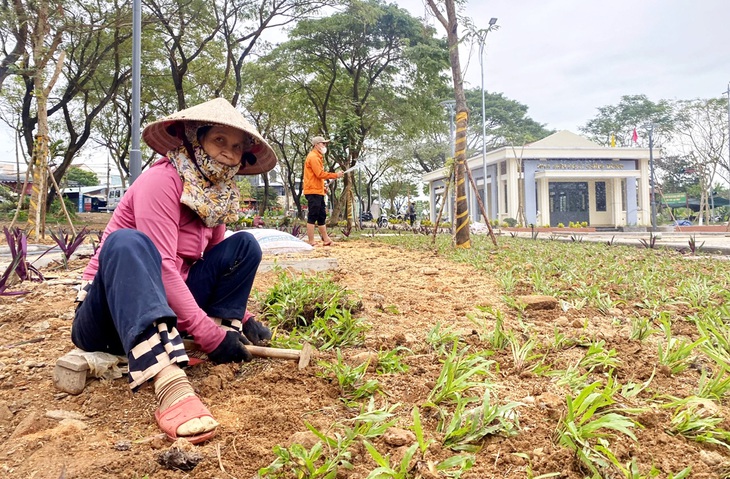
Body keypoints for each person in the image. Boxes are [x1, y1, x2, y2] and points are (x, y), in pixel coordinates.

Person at [71, 98, 278, 445]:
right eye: (219, 141)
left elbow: (214, 257)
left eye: (238, 146)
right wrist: (209, 339)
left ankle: (220, 334)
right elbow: (164, 267)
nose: (229, 153)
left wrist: (242, 315)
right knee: (127, 242)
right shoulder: (161, 181)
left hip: (166, 306)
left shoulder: (215, 195)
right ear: (193, 139)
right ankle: (168, 379)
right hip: (110, 315)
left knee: (245, 245)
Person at [303, 135, 343, 246]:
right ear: (316, 145)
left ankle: (326, 239)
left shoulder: (318, 157)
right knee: (313, 215)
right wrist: (335, 175)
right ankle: (311, 241)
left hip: (318, 191)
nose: (325, 145)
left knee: (321, 215)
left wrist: (323, 187)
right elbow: (320, 174)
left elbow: (317, 177)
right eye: (323, 143)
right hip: (313, 191)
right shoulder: (313, 157)